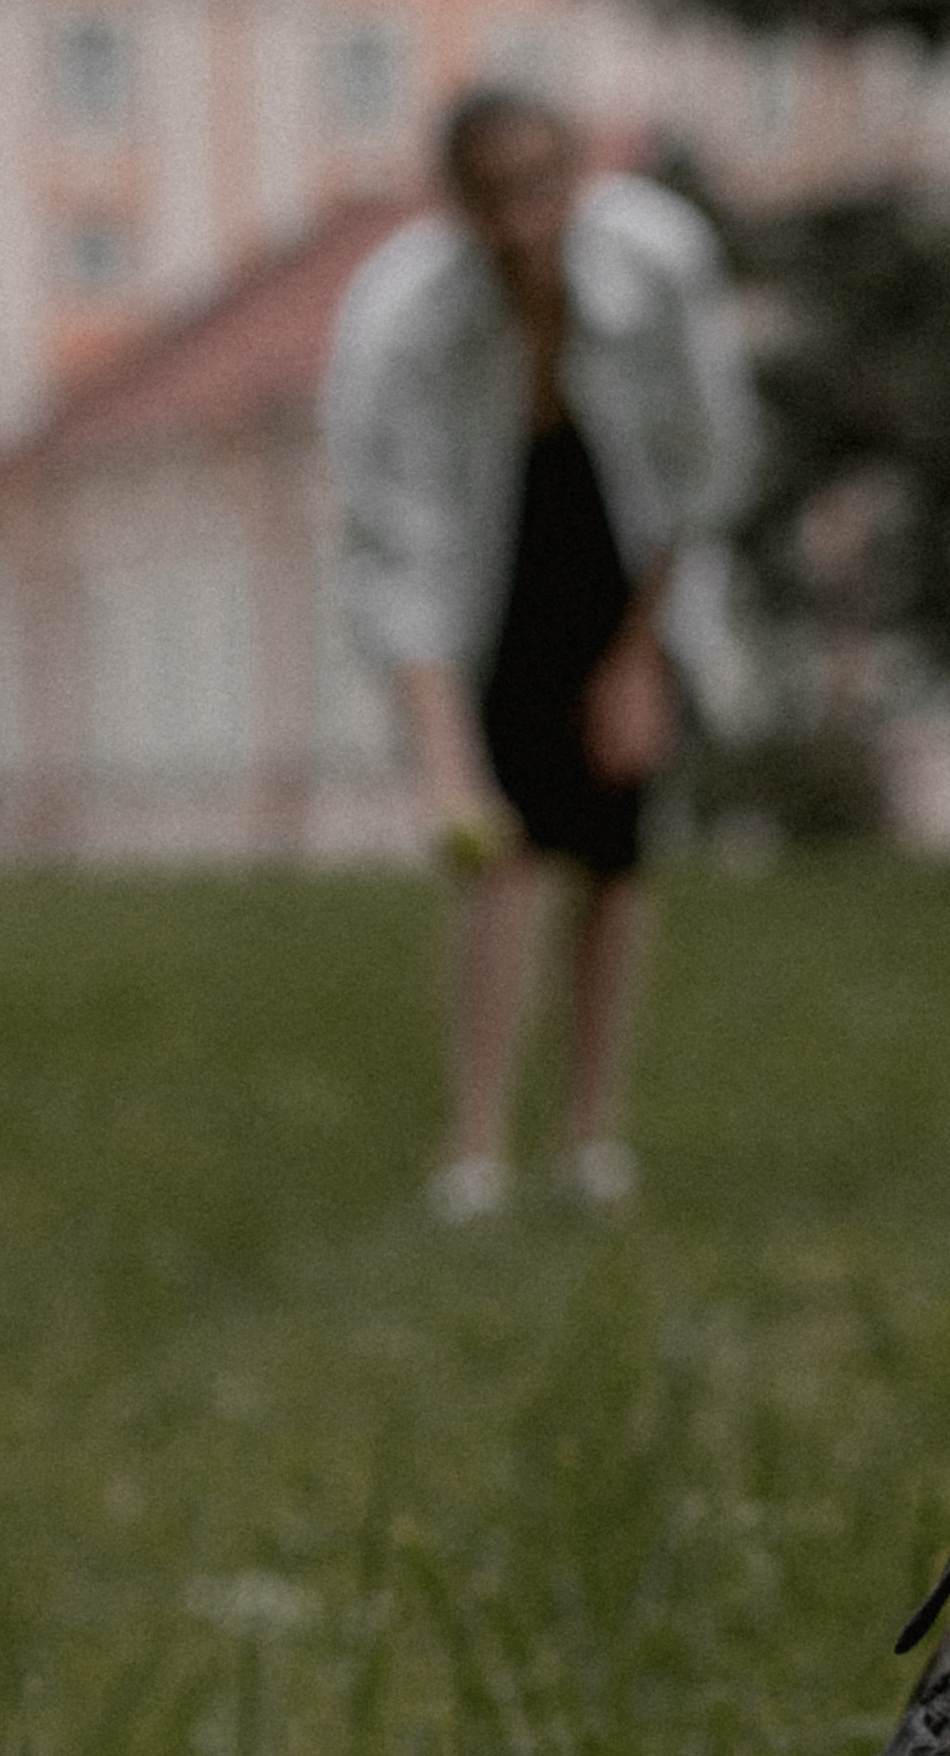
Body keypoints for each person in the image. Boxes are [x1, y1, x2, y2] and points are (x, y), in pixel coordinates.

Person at [322, 87, 757, 1220]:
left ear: (579, 177)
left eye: (541, 188)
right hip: (488, 575)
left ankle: (589, 1138)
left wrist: (640, 661)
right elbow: (396, 549)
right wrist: (445, 759)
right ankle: (472, 1152)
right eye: (492, 197)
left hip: (622, 566)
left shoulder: (658, 265)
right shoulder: (401, 320)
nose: (522, 219)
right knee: (498, 861)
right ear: (454, 204)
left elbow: (699, 472)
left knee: (613, 859)